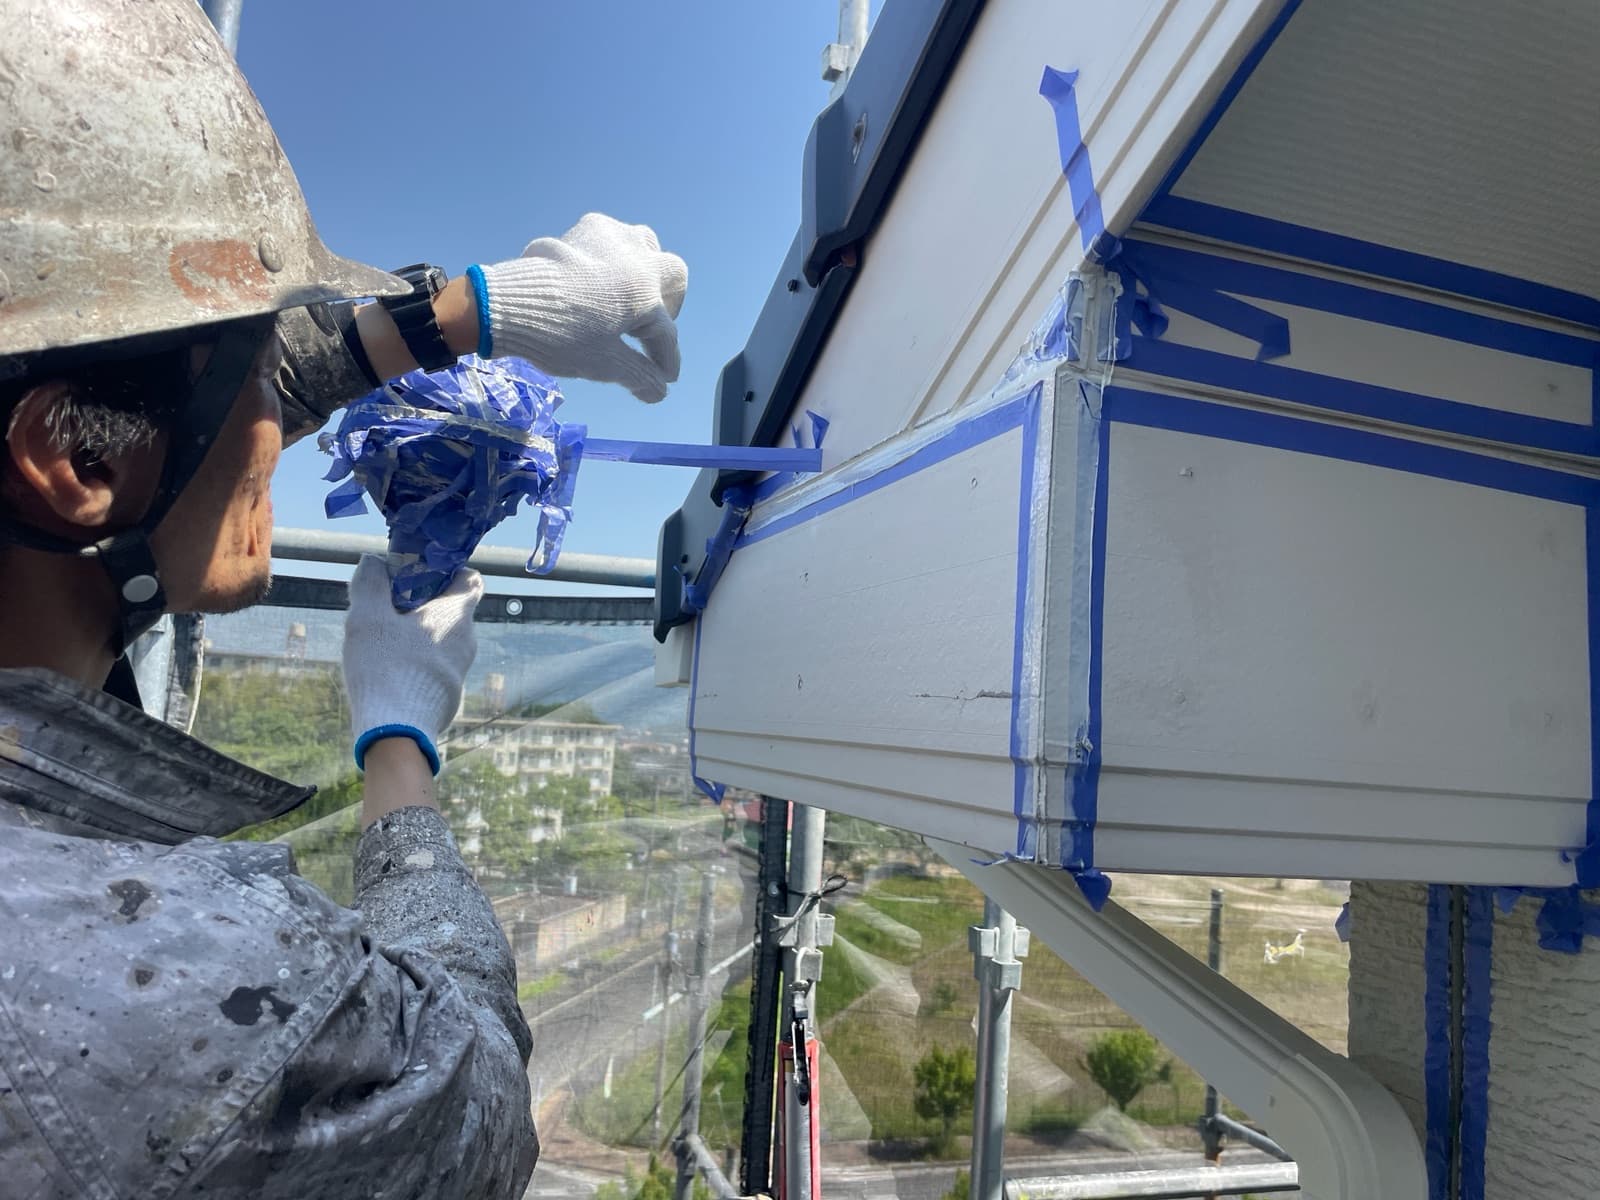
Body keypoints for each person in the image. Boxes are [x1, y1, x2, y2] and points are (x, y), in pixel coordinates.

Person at [0, 1, 687, 1196]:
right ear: (77, 462)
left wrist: (478, 307)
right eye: (262, 373)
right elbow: (472, 1096)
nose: (285, 421)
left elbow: (174, 395)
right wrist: (398, 741)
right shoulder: (155, 1002)